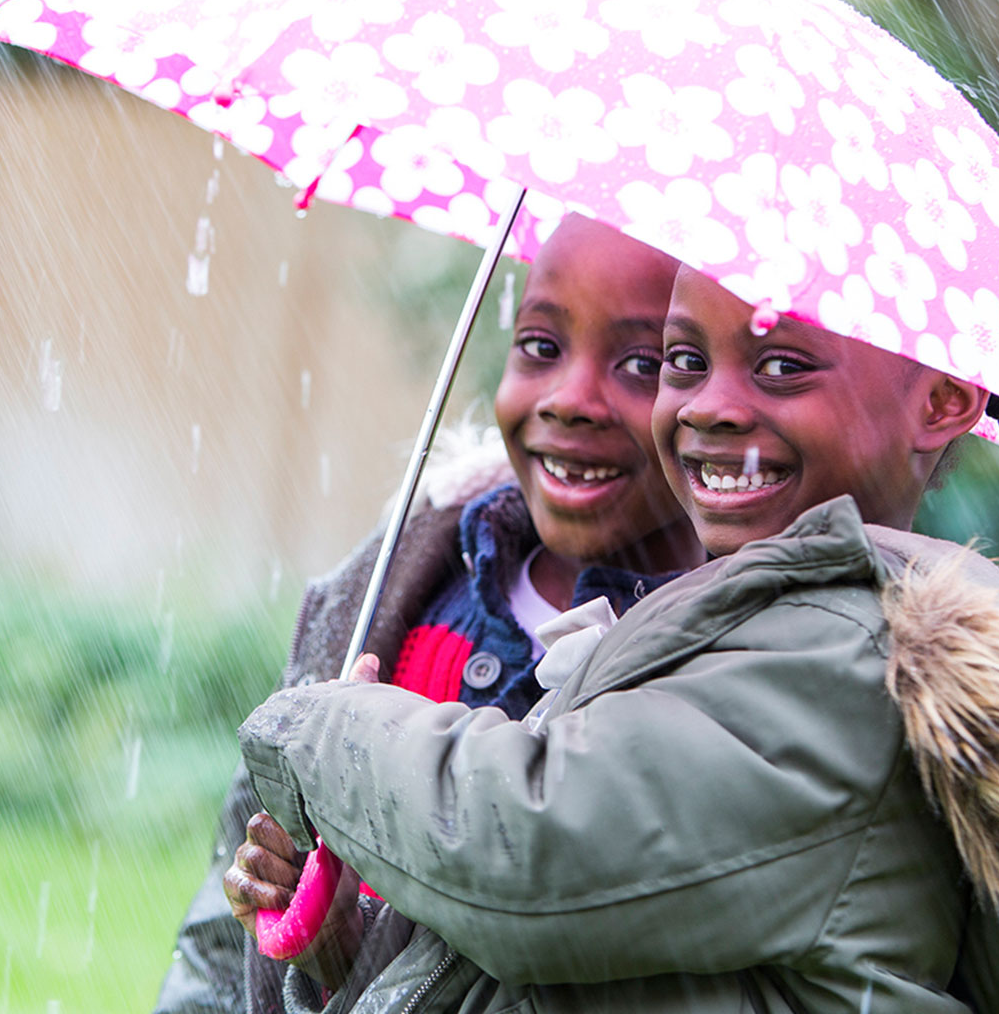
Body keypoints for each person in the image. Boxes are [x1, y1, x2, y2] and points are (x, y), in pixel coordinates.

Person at [222, 269, 999, 1012]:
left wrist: (327, 730)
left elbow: (534, 848)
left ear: (945, 397)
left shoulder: (839, 659)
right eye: (684, 360)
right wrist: (348, 947)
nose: (710, 407)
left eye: (780, 366)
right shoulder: (757, 625)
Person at [157, 214, 707, 1014]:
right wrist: (318, 938)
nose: (571, 398)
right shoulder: (390, 595)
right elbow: (220, 938)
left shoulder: (712, 663)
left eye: (643, 363)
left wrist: (361, 945)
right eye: (541, 346)